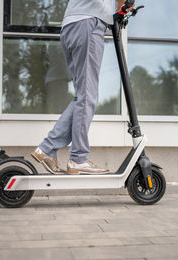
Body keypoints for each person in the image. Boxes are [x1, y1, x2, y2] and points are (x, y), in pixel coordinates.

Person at [31, 0, 134, 175]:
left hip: (71, 25)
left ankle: (47, 149)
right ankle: (77, 158)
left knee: (83, 96)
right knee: (87, 96)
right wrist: (123, 5)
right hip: (88, 23)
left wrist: (117, 11)